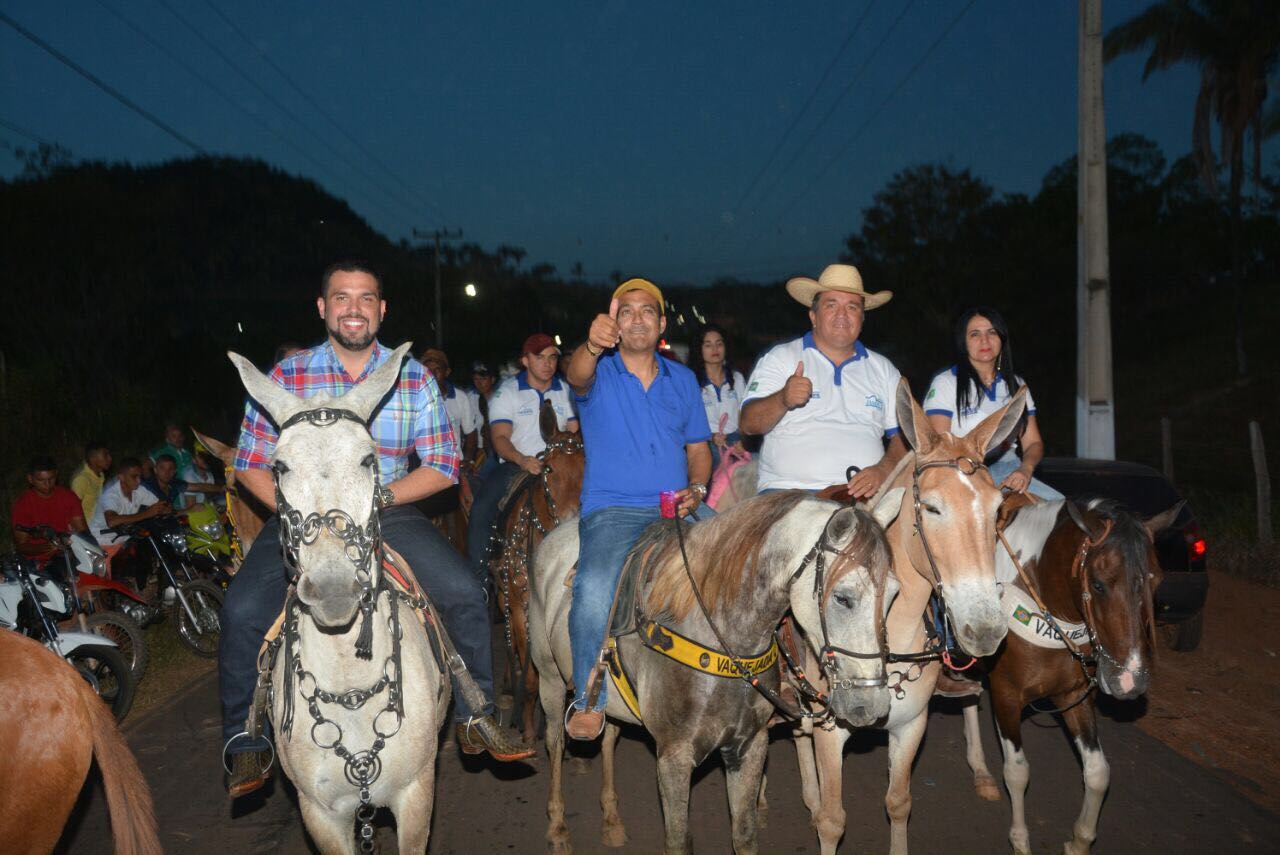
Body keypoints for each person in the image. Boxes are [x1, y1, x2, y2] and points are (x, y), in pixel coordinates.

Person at [221, 260, 533, 799]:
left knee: (461, 591)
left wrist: (375, 500)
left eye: (366, 298)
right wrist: (298, 514)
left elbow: (439, 463)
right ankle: (245, 739)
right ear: (323, 308)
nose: (354, 308)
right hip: (304, 518)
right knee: (242, 610)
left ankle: (476, 711)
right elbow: (249, 461)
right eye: (341, 297)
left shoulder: (410, 376)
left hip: (387, 508)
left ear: (381, 310)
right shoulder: (288, 377)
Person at [562, 278, 712, 740]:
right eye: (627, 312)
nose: (638, 319)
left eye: (647, 311)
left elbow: (699, 448)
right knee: (591, 590)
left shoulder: (683, 379)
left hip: (677, 507)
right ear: (615, 323)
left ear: (662, 323)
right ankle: (589, 697)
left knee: (741, 557)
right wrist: (590, 343)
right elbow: (576, 374)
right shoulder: (600, 372)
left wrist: (700, 487)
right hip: (614, 510)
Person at [740, 263, 906, 499]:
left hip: (864, 499)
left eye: (852, 307)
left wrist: (884, 470)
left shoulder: (884, 369)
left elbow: (901, 438)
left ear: (862, 318)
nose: (842, 315)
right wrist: (782, 399)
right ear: (813, 316)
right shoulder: (782, 357)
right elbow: (748, 424)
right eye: (831, 305)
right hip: (789, 495)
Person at [466, 333, 578, 576]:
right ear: (525, 361)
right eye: (540, 358)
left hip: (559, 465)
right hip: (516, 464)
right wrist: (522, 459)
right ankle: (480, 579)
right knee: (481, 510)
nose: (548, 364)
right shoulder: (507, 392)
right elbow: (500, 438)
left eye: (552, 358)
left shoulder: (566, 390)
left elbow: (574, 431)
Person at [924, 307, 1062, 499]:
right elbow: (938, 446)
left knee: (1059, 508)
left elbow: (1033, 442)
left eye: (992, 332)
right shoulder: (946, 383)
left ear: (1002, 339)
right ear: (963, 342)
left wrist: (1025, 469)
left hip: (1010, 468)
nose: (985, 340)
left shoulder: (1017, 385)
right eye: (974, 334)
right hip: (963, 472)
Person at [688, 324, 747, 470]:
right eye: (708, 345)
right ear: (699, 349)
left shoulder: (737, 378)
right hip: (706, 441)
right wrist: (712, 436)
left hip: (733, 439)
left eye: (719, 344)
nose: (715, 349)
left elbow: (744, 415)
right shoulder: (691, 382)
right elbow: (687, 421)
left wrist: (743, 441)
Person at [11, 456, 87, 561]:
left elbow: (83, 531)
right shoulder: (23, 505)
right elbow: (22, 545)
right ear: (30, 479)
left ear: (56, 474)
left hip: (70, 555)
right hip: (38, 561)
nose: (47, 484)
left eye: (51, 479)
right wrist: (46, 547)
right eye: (41, 480)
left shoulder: (68, 496)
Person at [420, 347, 480, 467]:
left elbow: (471, 433)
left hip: (454, 464)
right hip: (424, 467)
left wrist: (468, 461)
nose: (432, 375)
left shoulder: (460, 397)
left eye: (437, 369)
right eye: (428, 371)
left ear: (447, 372)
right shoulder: (414, 399)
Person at [142, 452, 220, 512]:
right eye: (162, 468)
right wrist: (190, 509)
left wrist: (223, 488)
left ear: (175, 472)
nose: (167, 472)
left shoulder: (174, 483)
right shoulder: (148, 487)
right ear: (155, 470)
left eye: (170, 469)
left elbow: (200, 487)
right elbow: (164, 513)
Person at [69, 441, 112, 521]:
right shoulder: (82, 479)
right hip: (86, 527)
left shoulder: (101, 475)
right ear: (93, 458)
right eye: (105, 455)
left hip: (98, 525)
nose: (110, 458)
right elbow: (72, 510)